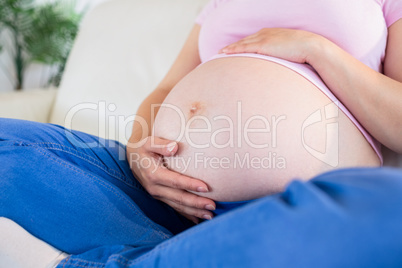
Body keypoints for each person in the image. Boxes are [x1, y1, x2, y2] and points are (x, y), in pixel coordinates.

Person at [1, 0, 402, 267]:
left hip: (291, 206)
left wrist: (317, 49)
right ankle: (180, 253)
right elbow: (165, 88)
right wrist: (141, 148)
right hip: (165, 202)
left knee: (390, 206)